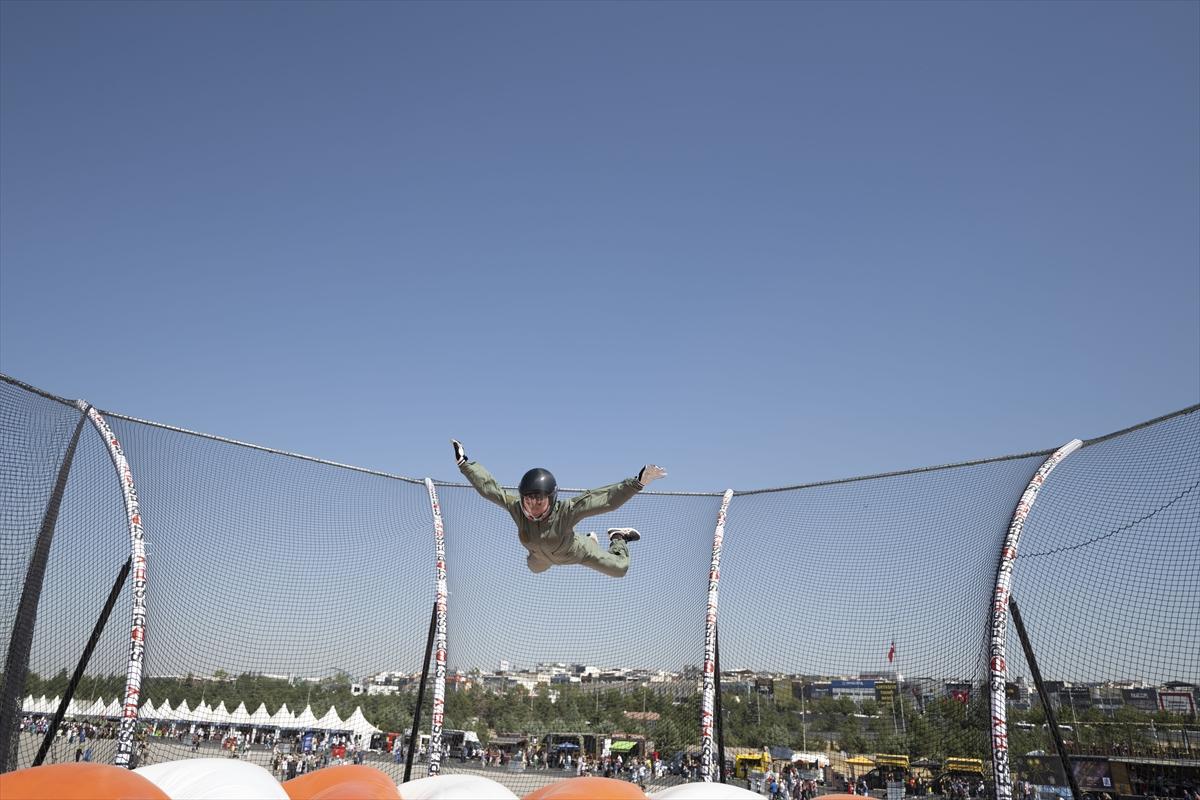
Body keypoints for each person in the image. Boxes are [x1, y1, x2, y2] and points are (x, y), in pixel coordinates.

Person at [451, 440, 666, 578]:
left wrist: (637, 483)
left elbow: (606, 500)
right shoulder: (517, 508)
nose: (532, 507)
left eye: (539, 502)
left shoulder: (566, 511)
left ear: (552, 499)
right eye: (528, 501)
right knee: (534, 568)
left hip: (576, 553)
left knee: (620, 570)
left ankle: (617, 537)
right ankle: (587, 539)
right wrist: (465, 464)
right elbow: (490, 489)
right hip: (540, 558)